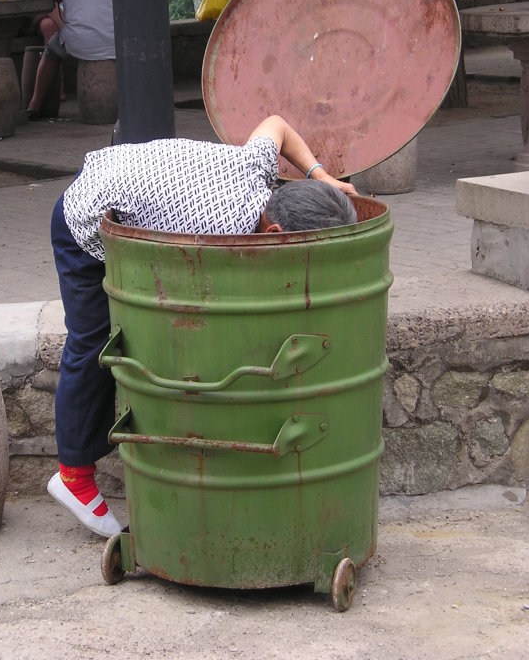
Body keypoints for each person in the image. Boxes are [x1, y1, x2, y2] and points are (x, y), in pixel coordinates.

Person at [48, 114, 358, 536]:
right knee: (93, 344)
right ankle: (73, 477)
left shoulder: (258, 172)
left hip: (122, 181)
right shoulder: (221, 231)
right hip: (86, 215)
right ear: (276, 230)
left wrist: (322, 177)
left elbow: (277, 124)